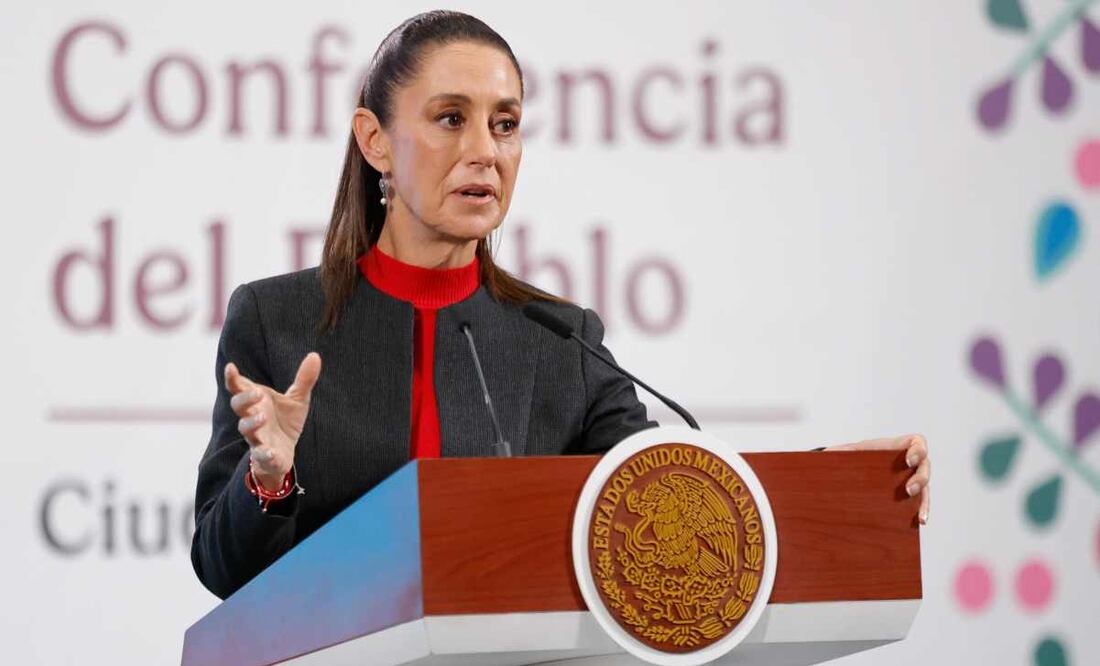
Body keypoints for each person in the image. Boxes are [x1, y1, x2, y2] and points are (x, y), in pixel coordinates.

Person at [190, 10, 931, 600]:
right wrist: (269, 478)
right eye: (452, 118)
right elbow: (222, 570)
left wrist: (832, 482)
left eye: (504, 124)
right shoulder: (275, 322)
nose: (486, 150)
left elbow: (668, 500)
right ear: (375, 141)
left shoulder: (559, 340)